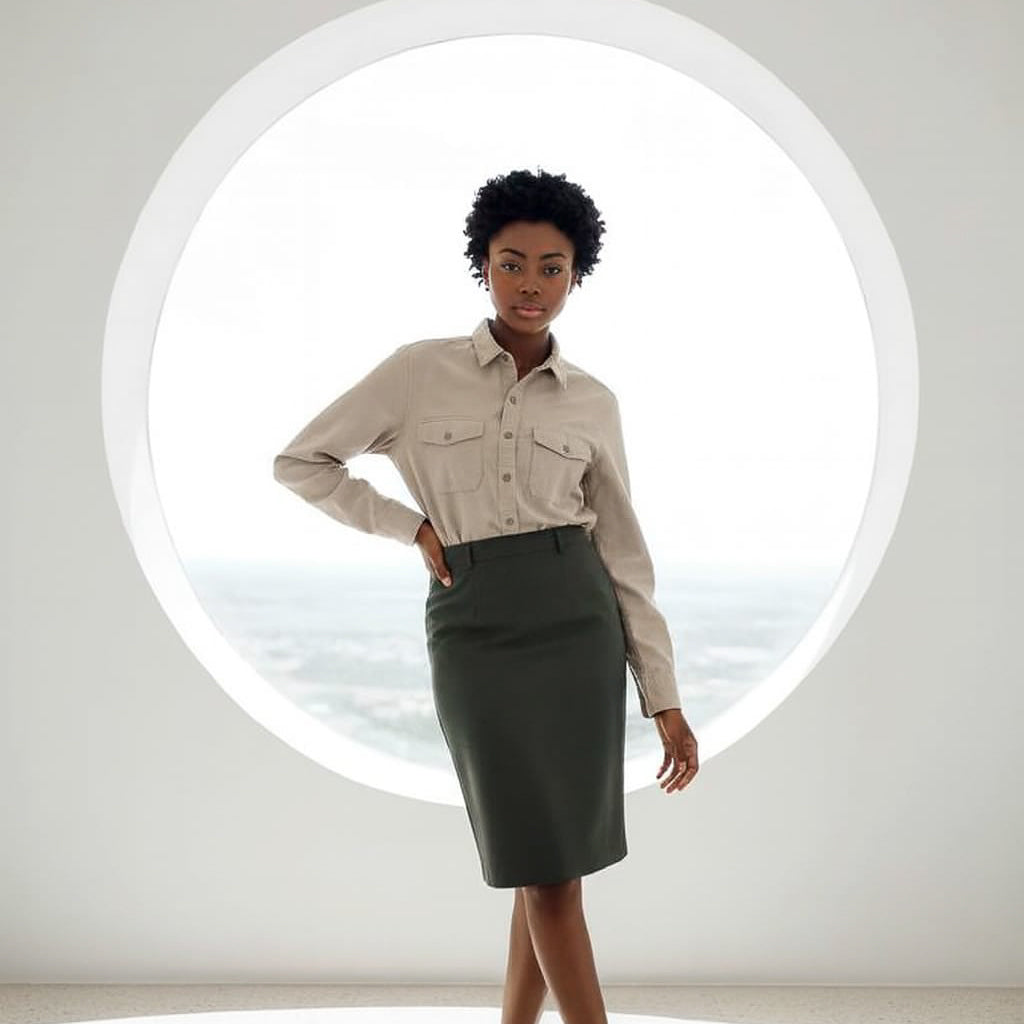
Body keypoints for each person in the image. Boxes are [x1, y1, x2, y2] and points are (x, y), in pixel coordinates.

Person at [273, 167, 699, 1024]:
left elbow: (622, 553)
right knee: (535, 859)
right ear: (482, 266)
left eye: (552, 267)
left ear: (576, 276)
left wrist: (663, 697)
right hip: (475, 630)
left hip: (576, 626)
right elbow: (302, 463)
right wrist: (411, 527)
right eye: (512, 263)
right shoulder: (415, 371)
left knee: (551, 867)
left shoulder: (593, 402)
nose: (531, 285)